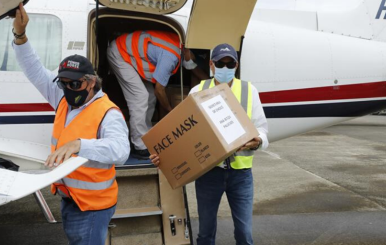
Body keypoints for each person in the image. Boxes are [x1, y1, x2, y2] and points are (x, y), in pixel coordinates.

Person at [12, 4, 130, 244]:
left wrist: (79, 145)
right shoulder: (63, 98)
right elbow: (34, 69)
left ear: (90, 83)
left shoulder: (108, 112)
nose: (68, 89)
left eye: (74, 84)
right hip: (70, 200)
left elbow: (121, 151)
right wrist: (20, 35)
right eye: (63, 83)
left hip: (93, 207)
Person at [150, 43, 269, 245]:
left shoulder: (249, 90)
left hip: (240, 175)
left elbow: (263, 130)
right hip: (209, 174)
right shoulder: (198, 90)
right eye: (220, 64)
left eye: (229, 63)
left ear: (236, 65)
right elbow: (183, 134)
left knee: (244, 234)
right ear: (211, 65)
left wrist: (257, 141)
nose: (225, 68)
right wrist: (164, 155)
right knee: (205, 234)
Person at [107, 31, 206, 158]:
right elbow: (159, 90)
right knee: (140, 97)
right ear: (187, 51)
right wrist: (171, 111)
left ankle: (145, 137)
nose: (192, 61)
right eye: (193, 57)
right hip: (120, 53)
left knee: (150, 97)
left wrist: (212, 81)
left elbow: (194, 68)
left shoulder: (179, 48)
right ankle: (139, 145)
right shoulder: (171, 56)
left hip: (130, 55)